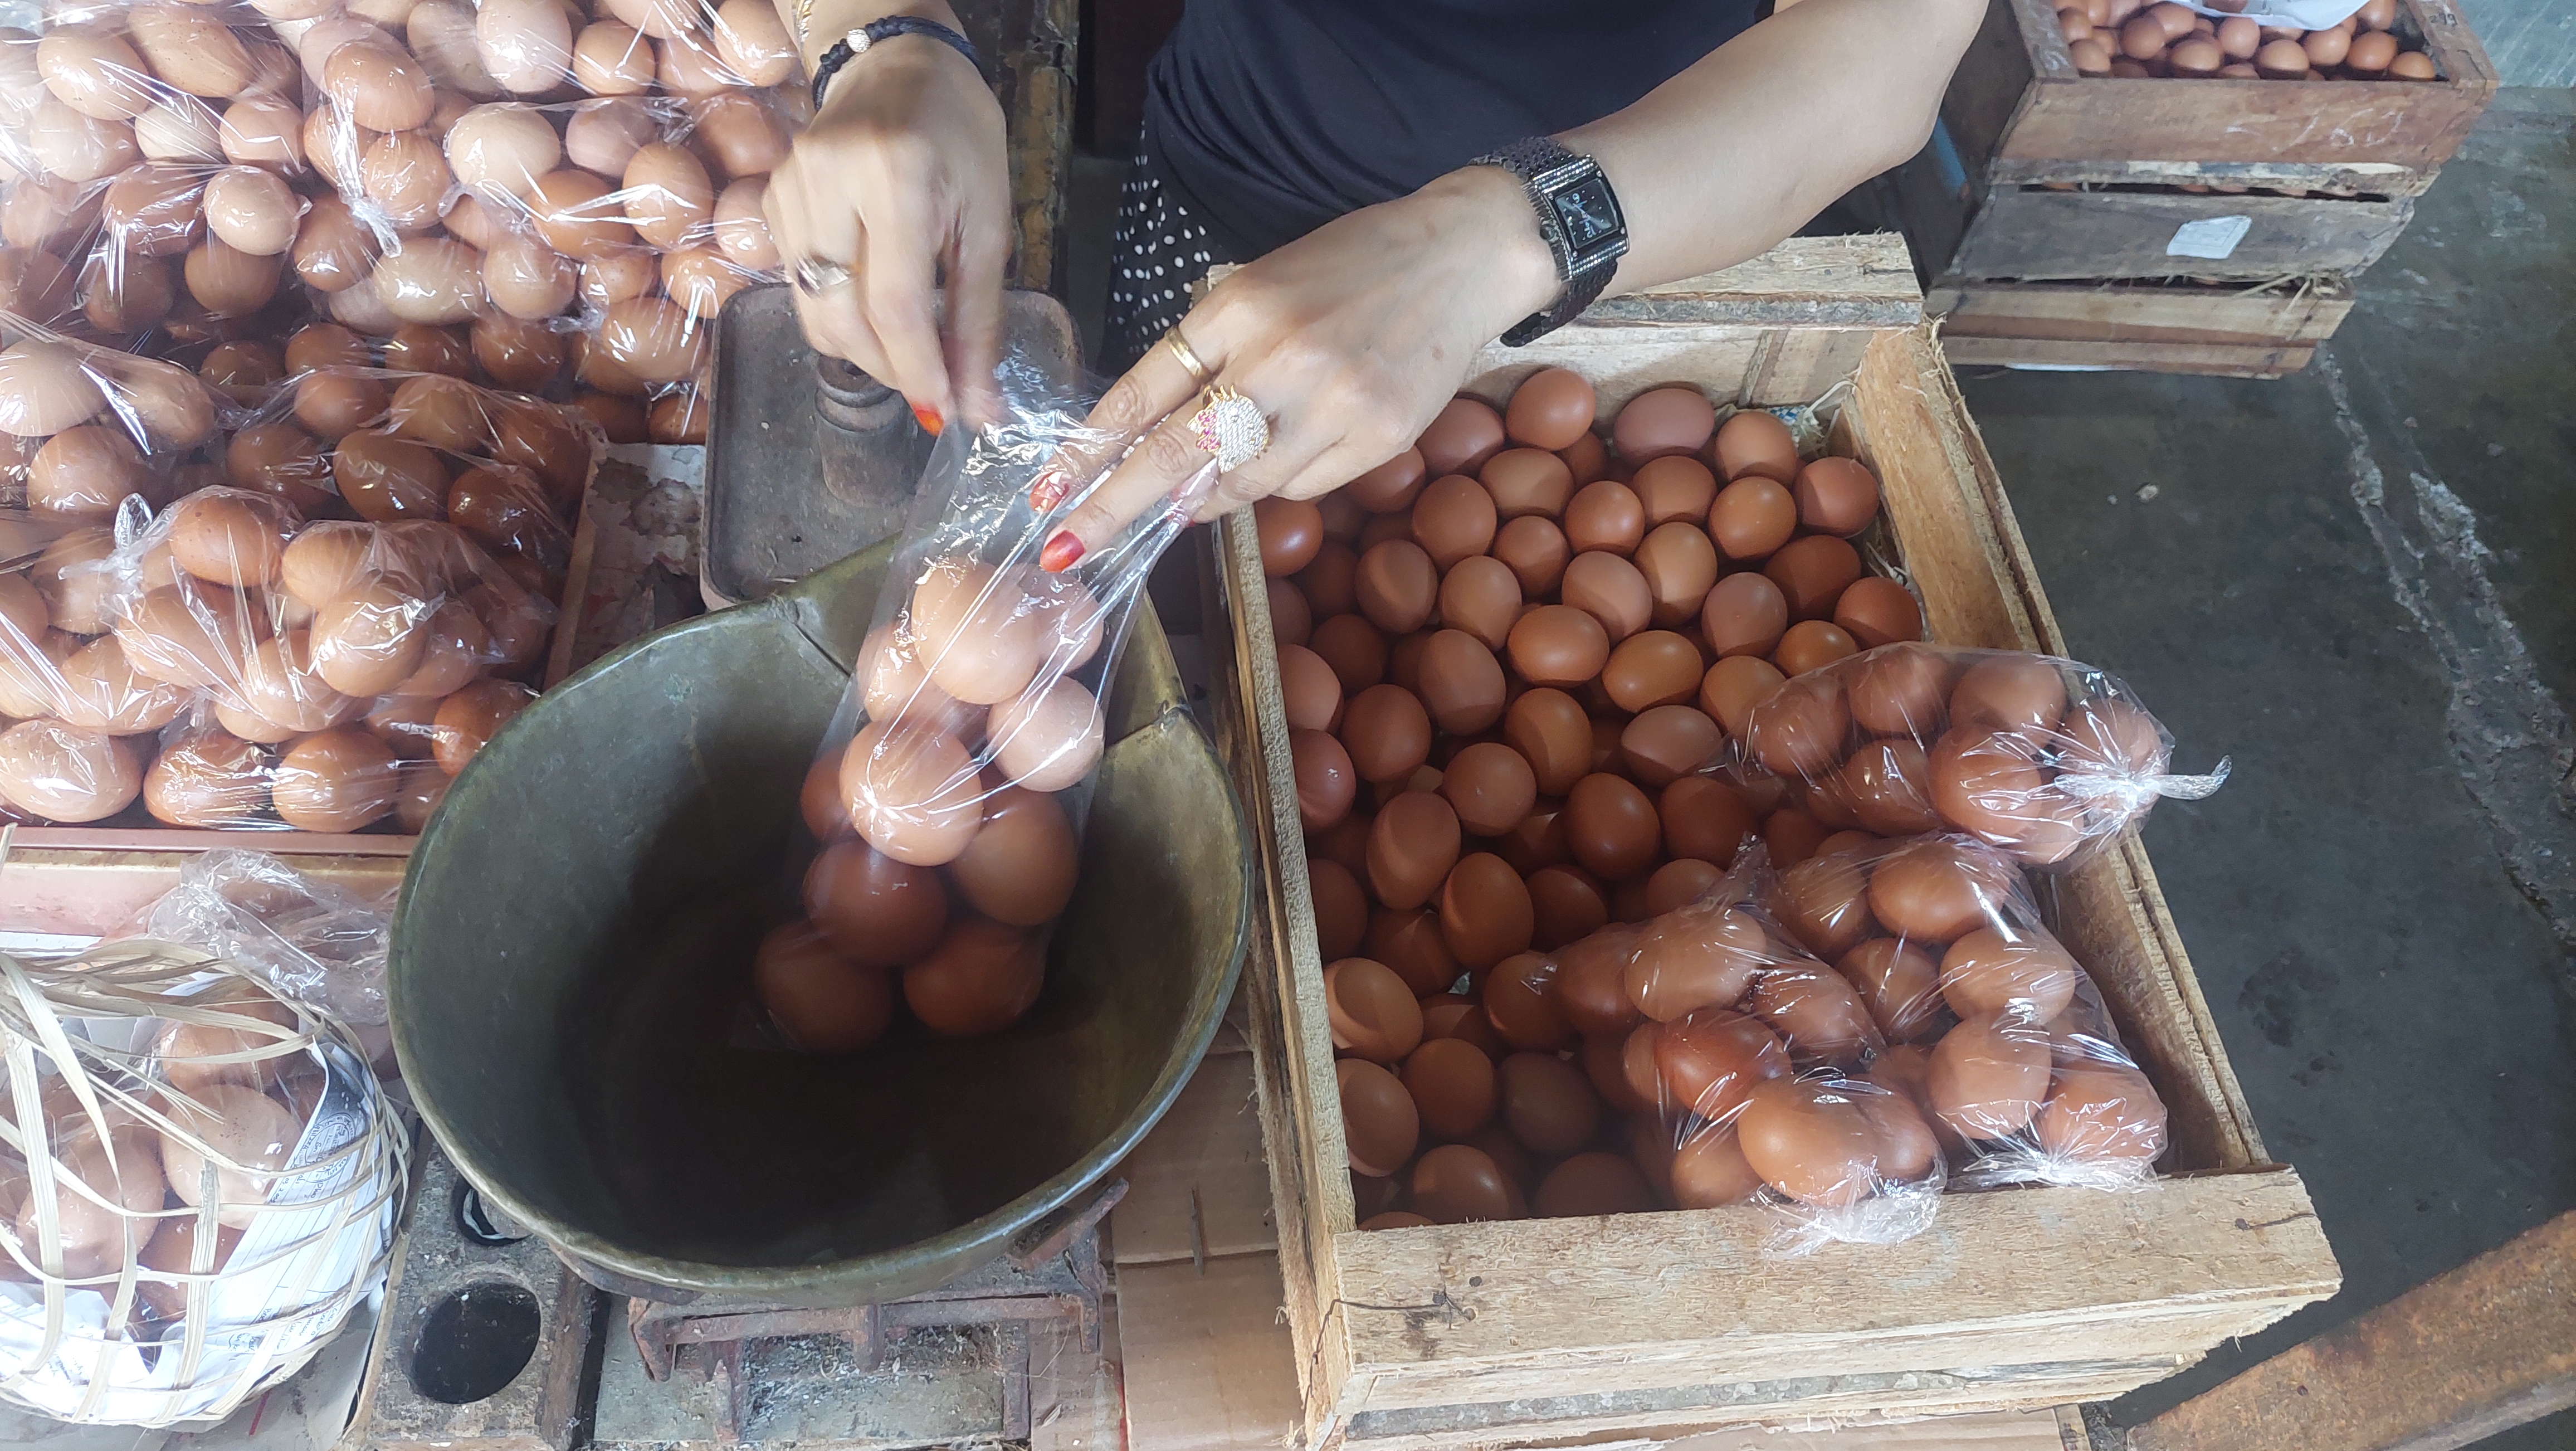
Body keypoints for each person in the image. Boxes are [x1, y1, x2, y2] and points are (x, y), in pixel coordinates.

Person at [762, 0, 1982, 571]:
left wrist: (1487, 241)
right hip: (1224, 188)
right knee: (1189, 555)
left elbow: (1883, 49)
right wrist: (882, 39)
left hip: (1654, 220)